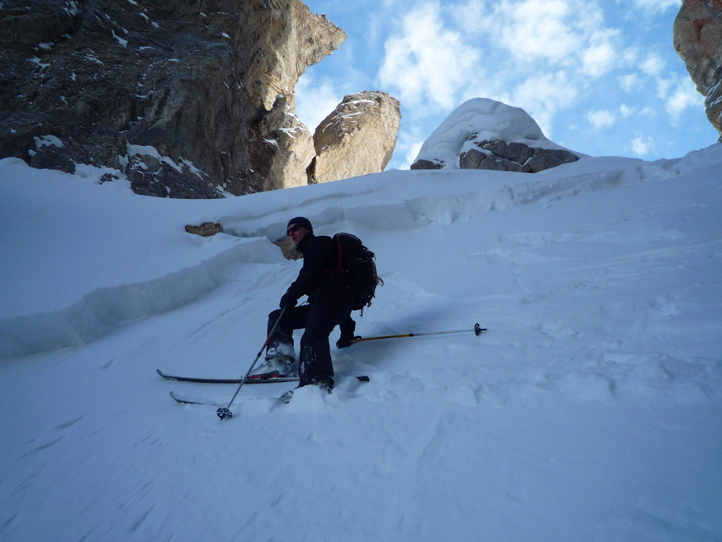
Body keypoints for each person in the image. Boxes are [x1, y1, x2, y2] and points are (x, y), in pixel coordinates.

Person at [261, 217, 357, 393]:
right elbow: (336, 296)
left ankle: (317, 382)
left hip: (331, 300)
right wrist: (347, 332)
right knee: (278, 318)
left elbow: (309, 274)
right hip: (329, 303)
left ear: (307, 229)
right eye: (288, 232)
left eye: (295, 229)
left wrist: (292, 295)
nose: (291, 234)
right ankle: (279, 361)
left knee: (312, 337)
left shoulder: (318, 244)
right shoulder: (320, 252)